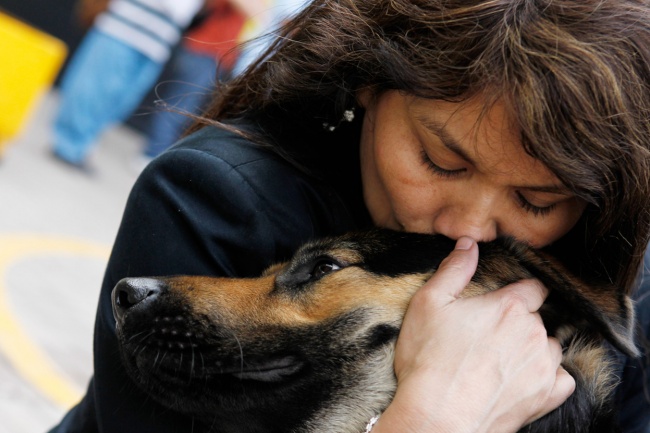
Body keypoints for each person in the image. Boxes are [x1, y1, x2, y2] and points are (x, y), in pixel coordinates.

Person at [48, 0, 650, 432]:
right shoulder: (215, 197)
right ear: (368, 83)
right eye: (441, 160)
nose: (469, 229)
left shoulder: (615, 289)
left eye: (536, 201)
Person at [51, 0, 203, 170]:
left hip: (157, 43)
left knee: (121, 99)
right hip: (124, 28)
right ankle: (68, 145)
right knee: (95, 87)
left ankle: (81, 144)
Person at [135, 0, 246, 168]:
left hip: (216, 57)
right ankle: (151, 154)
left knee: (185, 107)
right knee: (180, 106)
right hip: (203, 51)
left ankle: (156, 153)